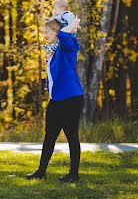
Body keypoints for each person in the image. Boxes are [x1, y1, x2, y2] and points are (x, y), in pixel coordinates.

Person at [27, 16, 83, 183]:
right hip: (57, 100)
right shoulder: (53, 49)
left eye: (47, 32)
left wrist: (72, 26)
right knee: (49, 136)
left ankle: (74, 174)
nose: (44, 35)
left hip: (71, 99)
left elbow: (65, 36)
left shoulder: (68, 47)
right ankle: (41, 171)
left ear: (56, 31)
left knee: (71, 135)